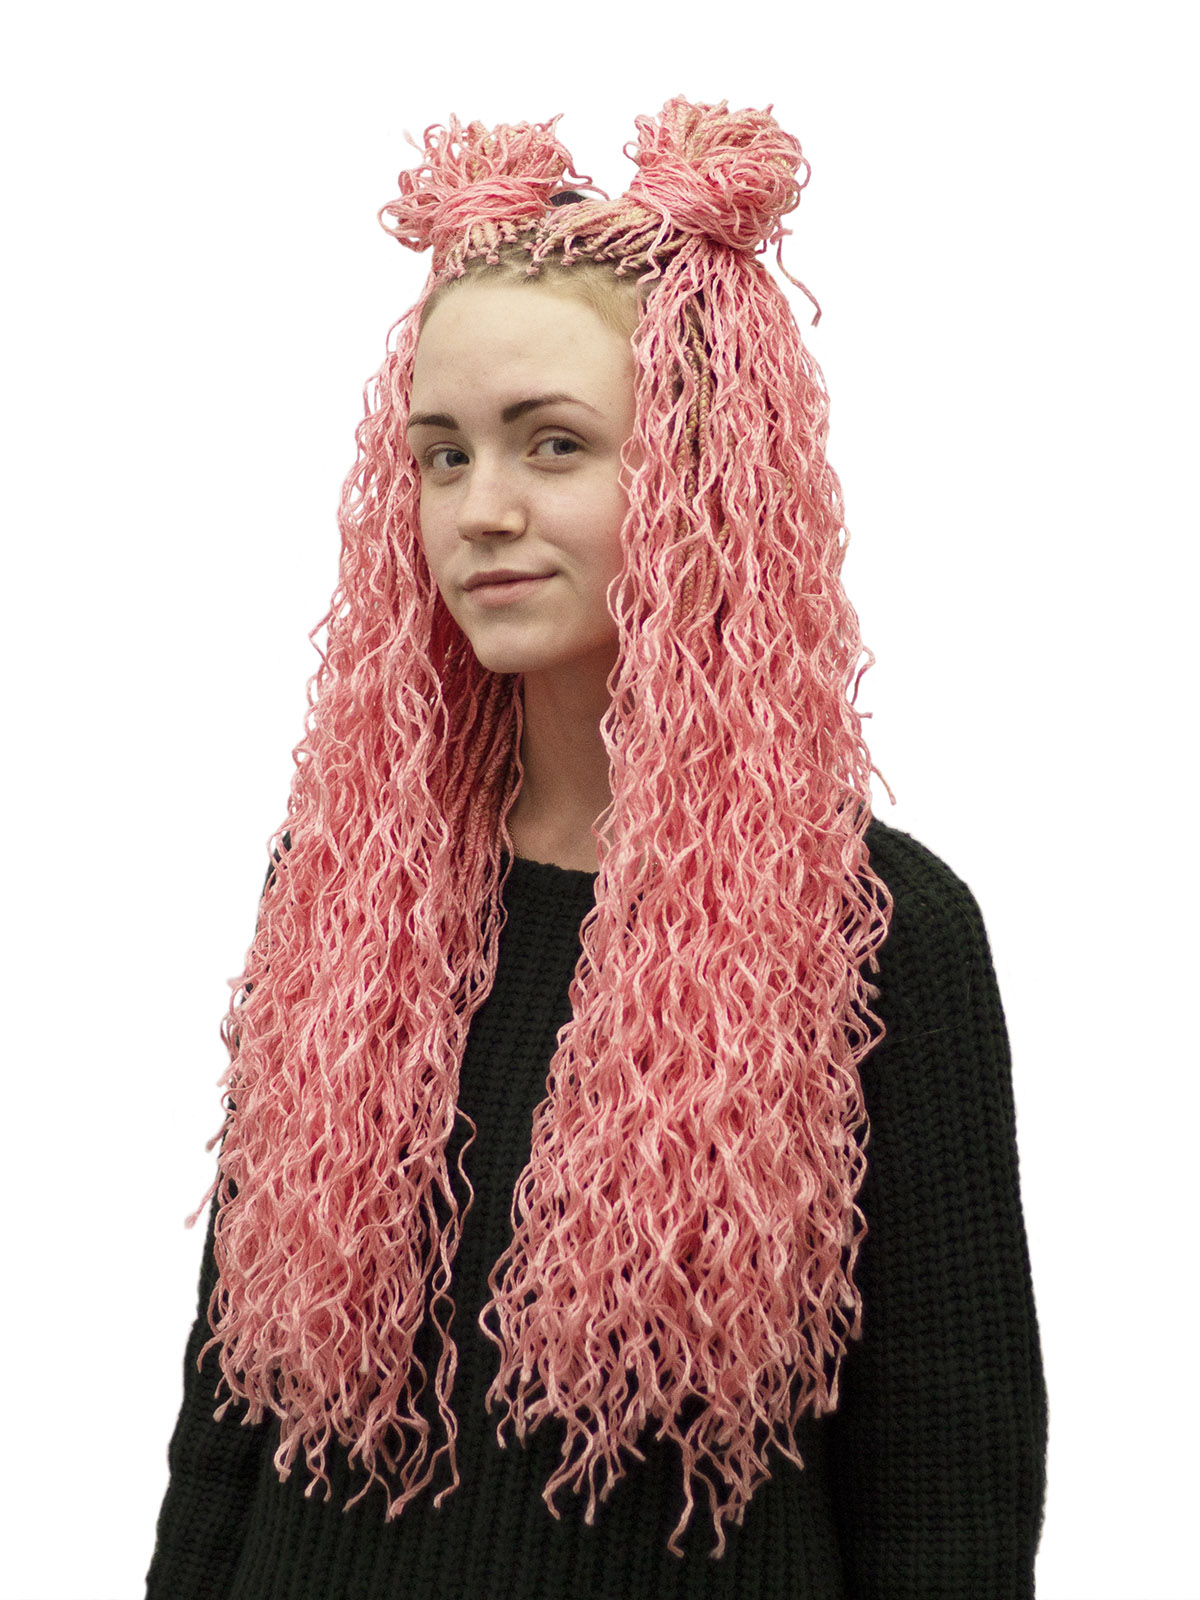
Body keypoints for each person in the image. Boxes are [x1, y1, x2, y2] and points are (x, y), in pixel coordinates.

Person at [145, 98, 1049, 1599]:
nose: (480, 511)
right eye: (442, 456)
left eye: (553, 445)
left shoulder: (878, 932)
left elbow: (948, 1504)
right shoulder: (344, 889)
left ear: (703, 476)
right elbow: (230, 1424)